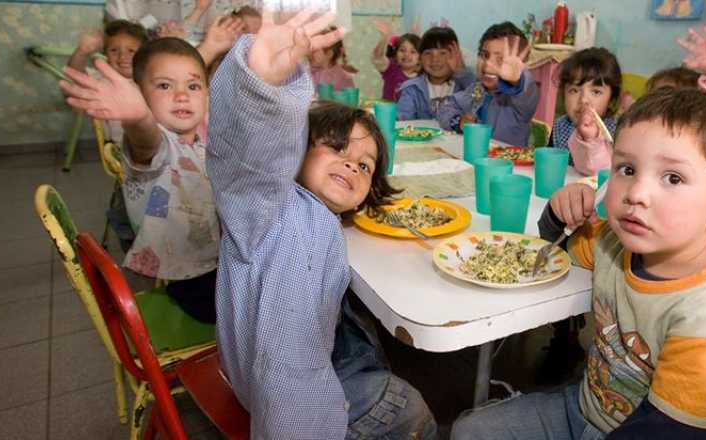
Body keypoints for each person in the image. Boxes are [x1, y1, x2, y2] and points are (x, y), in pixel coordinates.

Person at [452, 88, 706, 440]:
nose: (636, 193)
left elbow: (664, 433)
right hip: (587, 408)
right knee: (469, 431)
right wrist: (559, 216)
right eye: (627, 168)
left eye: (673, 178)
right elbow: (551, 256)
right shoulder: (613, 242)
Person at [206, 9, 436, 439]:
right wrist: (259, 86)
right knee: (408, 406)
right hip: (291, 409)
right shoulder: (266, 205)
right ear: (293, 149)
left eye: (365, 165)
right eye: (335, 148)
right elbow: (242, 158)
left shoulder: (312, 214)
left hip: (255, 374)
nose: (351, 163)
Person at [60, 38, 220, 323]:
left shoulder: (200, 143)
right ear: (139, 95)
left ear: (207, 95)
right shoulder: (158, 146)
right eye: (164, 85)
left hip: (213, 259)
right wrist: (139, 117)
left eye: (193, 86)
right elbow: (146, 140)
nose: (182, 95)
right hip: (193, 281)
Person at [436, 22, 539, 146]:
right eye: (485, 55)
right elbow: (446, 107)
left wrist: (516, 79)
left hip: (509, 164)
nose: (488, 64)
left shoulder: (519, 100)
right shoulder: (477, 89)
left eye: (501, 59)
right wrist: (458, 122)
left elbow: (527, 92)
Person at [549, 47, 622, 176]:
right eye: (574, 90)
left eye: (595, 92)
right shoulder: (560, 126)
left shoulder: (618, 133)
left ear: (611, 99)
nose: (583, 100)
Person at [396, 26, 475, 120]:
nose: (435, 59)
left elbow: (478, 96)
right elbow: (402, 118)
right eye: (428, 53)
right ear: (420, 58)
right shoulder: (412, 88)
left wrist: (462, 72)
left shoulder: (465, 84)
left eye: (443, 53)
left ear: (456, 56)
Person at [371, 18, 421, 101]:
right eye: (402, 50)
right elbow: (377, 58)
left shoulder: (423, 76)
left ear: (420, 58)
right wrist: (386, 37)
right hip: (388, 113)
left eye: (413, 52)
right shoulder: (391, 68)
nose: (406, 54)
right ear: (396, 54)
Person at [309, 25, 356, 91]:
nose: (310, 53)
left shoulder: (343, 78)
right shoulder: (308, 71)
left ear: (329, 54)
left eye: (314, 51)